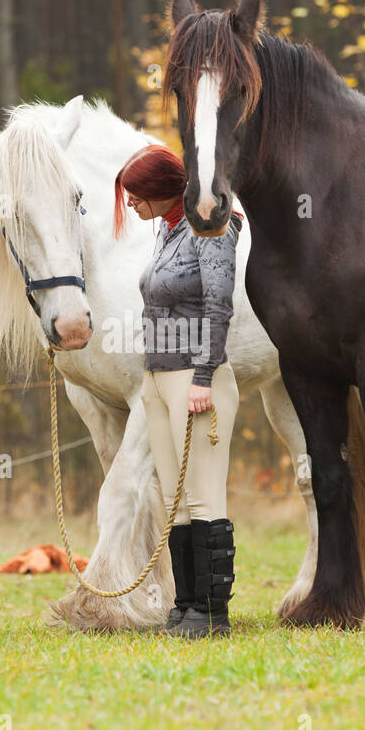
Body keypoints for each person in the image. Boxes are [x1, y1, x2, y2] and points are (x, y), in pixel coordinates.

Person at [113, 144, 241, 638]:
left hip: (194, 378)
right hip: (158, 377)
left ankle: (213, 613)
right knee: (175, 501)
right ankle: (186, 606)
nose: (130, 206)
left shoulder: (212, 227)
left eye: (135, 195)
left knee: (204, 497)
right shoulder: (167, 232)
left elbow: (218, 303)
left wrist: (204, 376)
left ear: (159, 190)